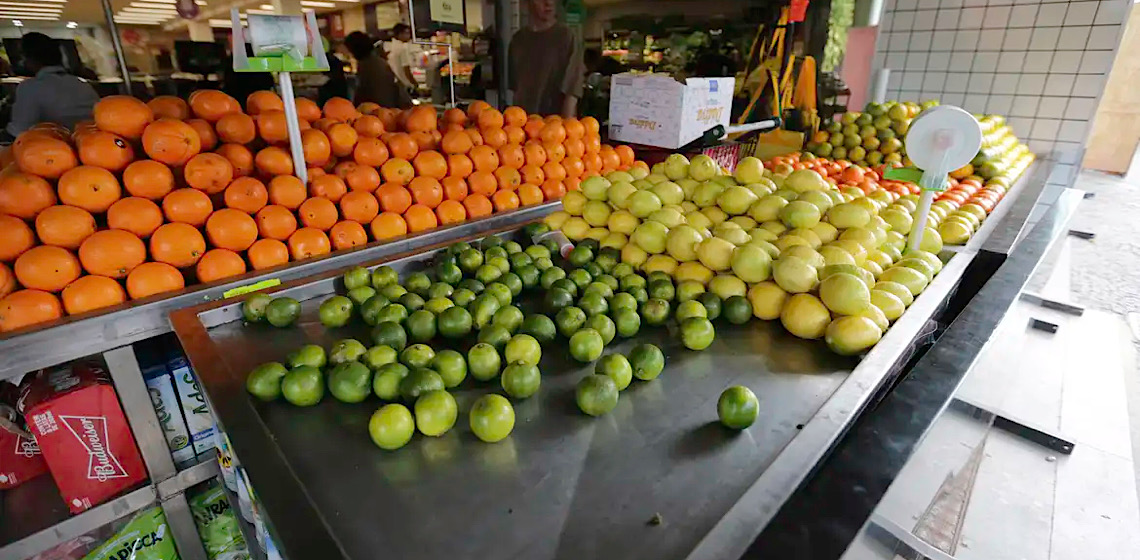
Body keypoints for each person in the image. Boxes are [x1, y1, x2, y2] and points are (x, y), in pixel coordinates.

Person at [5, 32, 98, 137]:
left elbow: (20, 130)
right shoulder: (83, 84)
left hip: (51, 147)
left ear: (30, 58)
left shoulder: (30, 87)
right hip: (91, 143)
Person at [508, 0, 584, 117]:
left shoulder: (566, 37)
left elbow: (571, 91)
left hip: (555, 126)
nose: (548, 2)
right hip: (524, 126)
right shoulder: (518, 40)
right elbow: (516, 90)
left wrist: (566, 128)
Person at [344, 31, 411, 109]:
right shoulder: (375, 61)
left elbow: (372, 95)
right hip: (388, 111)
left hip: (382, 112)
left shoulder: (369, 65)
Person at [387, 23, 418, 91]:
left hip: (396, 84)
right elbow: (406, 69)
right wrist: (415, 84)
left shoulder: (391, 47)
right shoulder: (403, 48)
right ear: (400, 34)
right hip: (405, 85)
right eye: (407, 33)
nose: (409, 36)